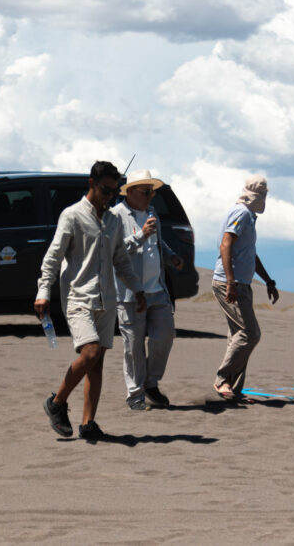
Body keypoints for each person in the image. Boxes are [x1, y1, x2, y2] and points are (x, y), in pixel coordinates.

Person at [35, 161, 146, 441]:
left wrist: (137, 289)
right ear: (91, 184)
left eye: (114, 191)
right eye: (105, 190)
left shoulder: (113, 220)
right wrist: (43, 291)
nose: (109, 196)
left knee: (97, 365)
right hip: (78, 297)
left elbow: (121, 259)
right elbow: (53, 256)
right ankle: (57, 403)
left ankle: (88, 423)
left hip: (106, 299)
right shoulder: (72, 215)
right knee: (90, 353)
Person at [111, 169, 185, 410]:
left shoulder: (152, 212)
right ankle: (135, 396)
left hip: (157, 289)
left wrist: (171, 256)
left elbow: (157, 240)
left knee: (164, 336)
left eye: (152, 192)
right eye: (146, 192)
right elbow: (114, 252)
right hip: (130, 294)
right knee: (133, 347)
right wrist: (140, 235)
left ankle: (151, 383)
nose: (150, 196)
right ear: (131, 192)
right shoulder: (116, 216)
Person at [212, 175, 279, 400]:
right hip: (231, 283)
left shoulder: (248, 216)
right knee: (250, 333)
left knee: (237, 336)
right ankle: (222, 380)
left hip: (242, 283)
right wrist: (230, 282)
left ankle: (233, 389)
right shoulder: (241, 213)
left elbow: (250, 254)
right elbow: (226, 244)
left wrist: (268, 281)